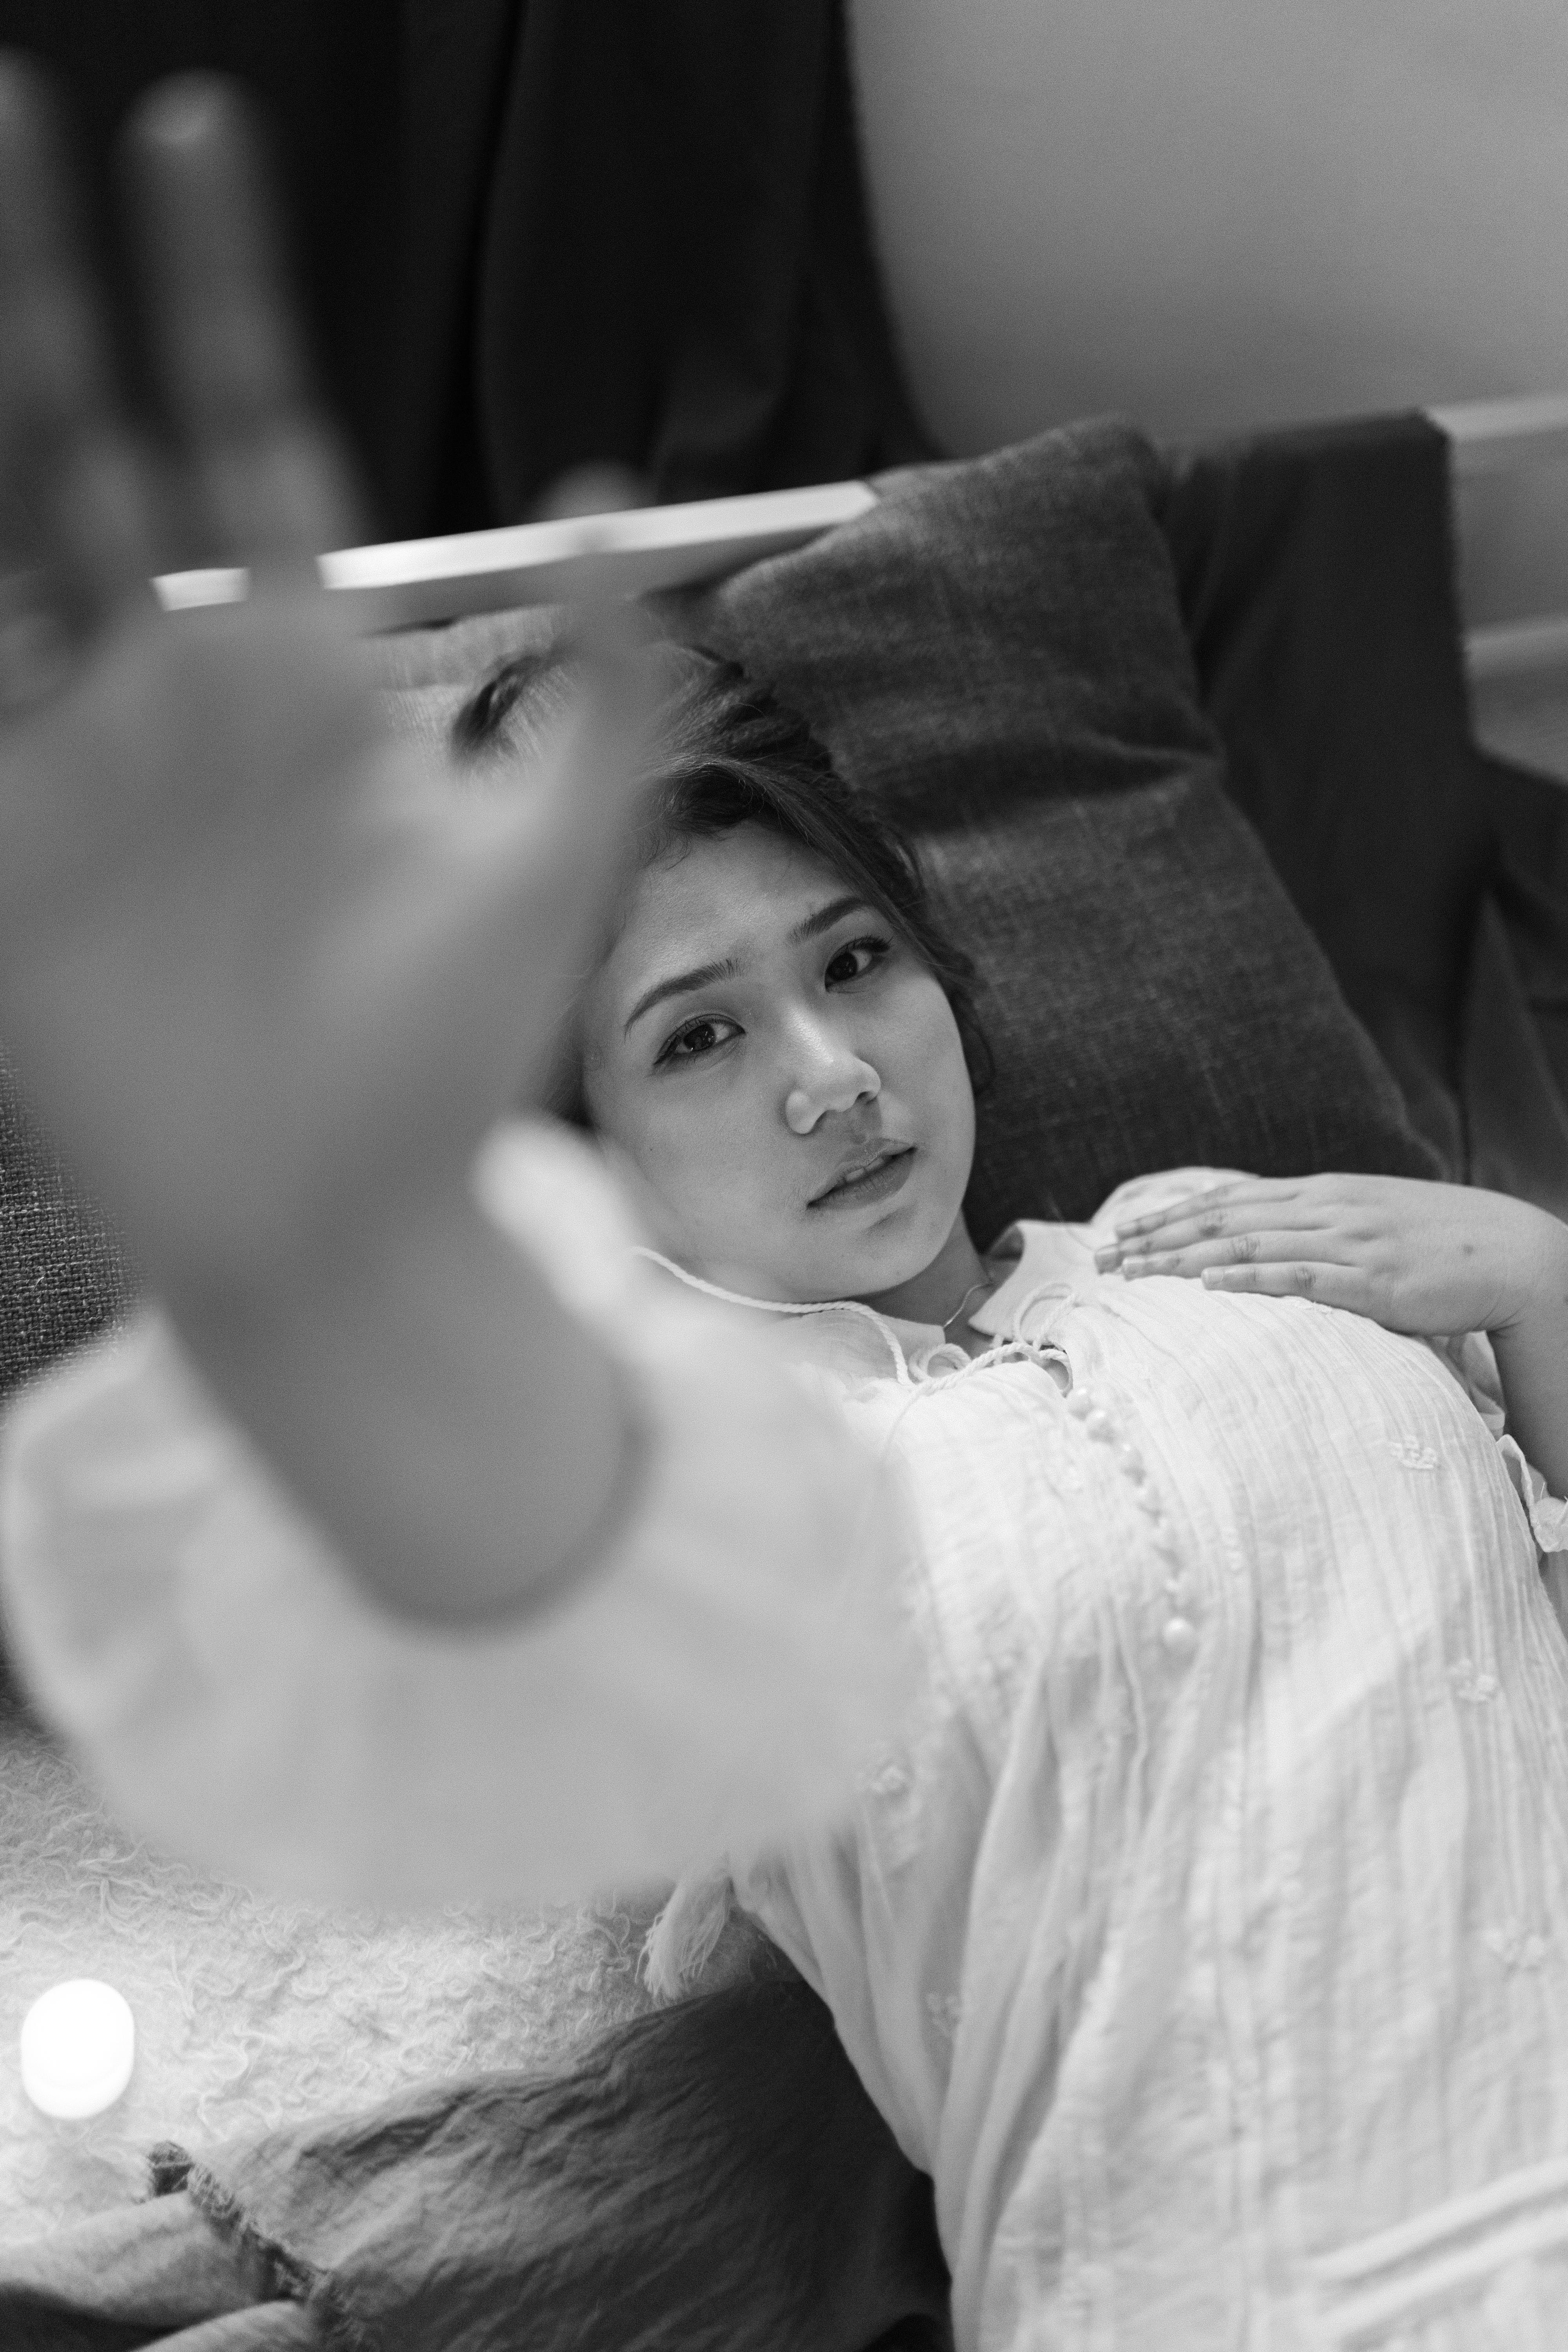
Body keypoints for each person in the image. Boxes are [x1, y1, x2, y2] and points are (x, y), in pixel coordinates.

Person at [5, 56, 1568, 2352]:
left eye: (851, 964)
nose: (833, 1075)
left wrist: (1541, 1279)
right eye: (695, 1038)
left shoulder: (1251, 1241)